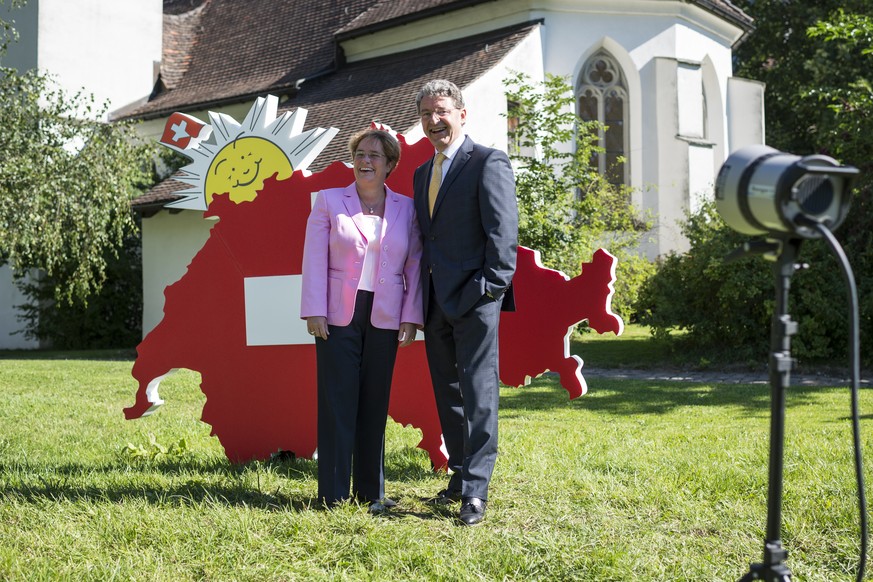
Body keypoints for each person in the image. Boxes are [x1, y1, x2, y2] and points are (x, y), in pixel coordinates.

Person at [412, 80, 518, 526]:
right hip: (434, 300)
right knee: (448, 394)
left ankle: (476, 491)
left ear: (461, 113)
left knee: (478, 393)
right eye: (426, 114)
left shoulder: (488, 162)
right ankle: (458, 475)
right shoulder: (421, 174)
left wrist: (488, 291)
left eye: (441, 111)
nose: (434, 121)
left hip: (475, 300)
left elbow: (502, 236)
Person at [301, 128, 423, 513]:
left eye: (375, 156)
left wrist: (411, 316)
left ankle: (371, 493)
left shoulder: (407, 208)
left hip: (386, 314)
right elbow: (314, 259)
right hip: (337, 316)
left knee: (374, 403)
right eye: (360, 154)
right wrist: (314, 309)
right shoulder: (328, 201)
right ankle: (333, 495)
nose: (365, 161)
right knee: (337, 403)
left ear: (390, 165)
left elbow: (416, 265)